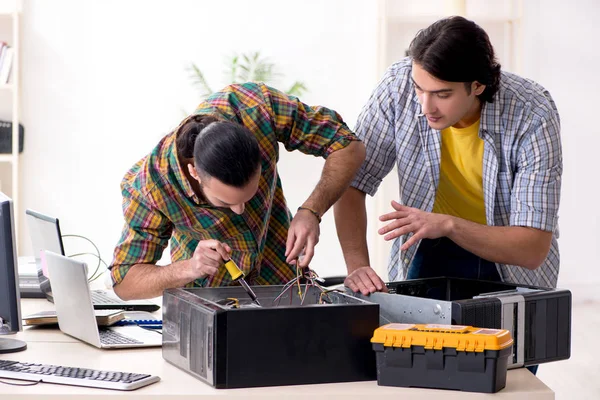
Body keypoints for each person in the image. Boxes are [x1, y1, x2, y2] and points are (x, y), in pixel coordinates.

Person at [335, 16, 562, 296]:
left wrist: (449, 224)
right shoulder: (397, 85)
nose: (426, 106)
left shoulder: (533, 111)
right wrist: (357, 266)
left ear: (478, 86)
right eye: (419, 89)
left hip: (510, 257)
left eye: (442, 94)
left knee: (508, 339)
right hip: (429, 244)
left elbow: (532, 248)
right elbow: (350, 180)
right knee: (416, 338)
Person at [110, 82, 365, 300]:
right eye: (224, 201)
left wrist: (311, 210)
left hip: (282, 285)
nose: (239, 210)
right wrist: (188, 268)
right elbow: (125, 282)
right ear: (195, 172)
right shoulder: (149, 187)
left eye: (251, 195)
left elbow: (347, 145)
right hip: (210, 304)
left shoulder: (257, 109)